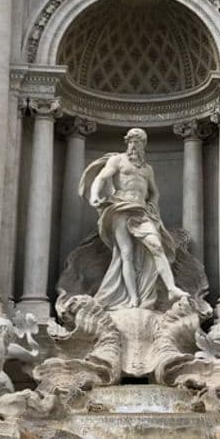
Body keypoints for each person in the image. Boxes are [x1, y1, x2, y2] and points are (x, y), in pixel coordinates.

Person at [80, 128, 187, 310]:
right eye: (130, 141)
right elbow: (101, 177)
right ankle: (133, 298)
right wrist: (94, 195)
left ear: (143, 144)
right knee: (126, 254)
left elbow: (154, 192)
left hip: (141, 211)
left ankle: (171, 288)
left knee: (157, 246)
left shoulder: (147, 169)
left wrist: (153, 203)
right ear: (127, 143)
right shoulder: (118, 160)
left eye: (137, 142)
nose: (133, 145)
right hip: (120, 207)